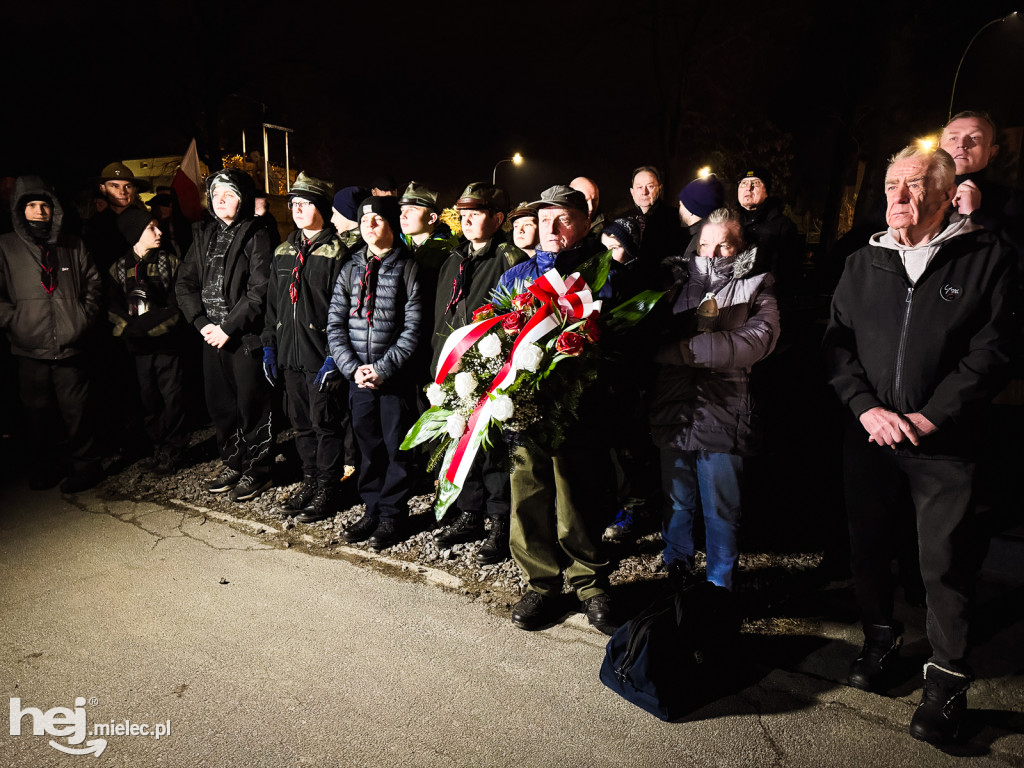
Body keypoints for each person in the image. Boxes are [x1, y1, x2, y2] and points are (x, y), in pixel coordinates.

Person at [822, 146, 1017, 746]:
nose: (898, 197)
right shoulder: (862, 263)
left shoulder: (985, 256)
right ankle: (880, 642)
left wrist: (932, 417)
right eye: (891, 185)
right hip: (872, 436)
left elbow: (994, 350)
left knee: (944, 562)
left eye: (912, 186)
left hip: (945, 442)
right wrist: (867, 409)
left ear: (945, 192)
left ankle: (947, 680)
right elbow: (836, 347)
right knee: (870, 549)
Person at [498, 185, 617, 634]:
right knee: (526, 495)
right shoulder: (517, 277)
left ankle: (589, 582)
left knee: (578, 498)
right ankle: (541, 584)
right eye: (544, 218)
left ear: (585, 222)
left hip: (580, 411)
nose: (550, 227)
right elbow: (491, 339)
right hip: (525, 412)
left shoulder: (601, 275)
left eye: (563, 218)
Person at [649, 208, 779, 590]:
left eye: (725, 243)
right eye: (706, 243)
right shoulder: (674, 281)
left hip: (724, 410)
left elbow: (755, 341)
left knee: (722, 508)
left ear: (741, 247)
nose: (714, 251)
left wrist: (680, 351)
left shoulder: (758, 284)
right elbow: (649, 331)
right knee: (675, 499)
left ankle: (719, 584)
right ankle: (676, 567)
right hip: (673, 407)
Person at [432, 182, 525, 563]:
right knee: (460, 441)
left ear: (498, 218)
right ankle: (470, 512)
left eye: (477, 212)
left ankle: (500, 521)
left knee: (493, 449)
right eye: (463, 212)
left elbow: (518, 319)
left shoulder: (509, 258)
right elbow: (442, 315)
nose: (467, 219)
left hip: (491, 370)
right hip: (453, 369)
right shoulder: (454, 258)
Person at [327, 196, 421, 551]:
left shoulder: (407, 267)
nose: (369, 225)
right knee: (368, 448)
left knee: (397, 449)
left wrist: (383, 368)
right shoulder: (351, 267)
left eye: (377, 219)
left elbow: (413, 327)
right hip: (359, 379)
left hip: (392, 379)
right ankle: (371, 508)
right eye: (365, 219)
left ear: (391, 224)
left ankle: (392, 515)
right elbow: (334, 323)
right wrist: (352, 369)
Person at [0, 176, 103, 493]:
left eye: (44, 204)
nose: (39, 211)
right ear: (20, 210)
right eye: (31, 205)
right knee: (36, 415)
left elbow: (94, 286)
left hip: (70, 345)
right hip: (29, 347)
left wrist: (81, 318)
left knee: (78, 412)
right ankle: (44, 467)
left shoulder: (73, 244)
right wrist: (14, 321)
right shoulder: (6, 246)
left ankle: (85, 468)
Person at [176, 168, 274, 502]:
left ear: (243, 198)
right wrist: (201, 322)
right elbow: (185, 283)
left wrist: (227, 328)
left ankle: (258, 470)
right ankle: (233, 462)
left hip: (242, 339)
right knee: (221, 406)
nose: (220, 201)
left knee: (251, 405)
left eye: (229, 194)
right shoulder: (204, 233)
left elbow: (259, 291)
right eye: (216, 194)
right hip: (210, 336)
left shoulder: (257, 233)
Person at [262, 172, 353, 523]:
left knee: (325, 422)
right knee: (300, 423)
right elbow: (273, 306)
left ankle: (328, 487)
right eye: (294, 204)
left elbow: (342, 308)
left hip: (321, 353)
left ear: (322, 208)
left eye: (305, 203)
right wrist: (271, 345)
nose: (298, 209)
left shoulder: (337, 253)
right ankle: (310, 479)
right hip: (290, 353)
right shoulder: (284, 251)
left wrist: (336, 352)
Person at [107, 209, 188, 474]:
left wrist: (151, 328)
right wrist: (130, 330)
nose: (159, 232)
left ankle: (174, 451)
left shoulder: (170, 263)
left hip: (166, 344)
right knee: (147, 398)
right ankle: (157, 446)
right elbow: (111, 307)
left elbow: (178, 305)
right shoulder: (118, 269)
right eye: (151, 228)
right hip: (137, 348)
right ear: (135, 234)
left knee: (172, 396)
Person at [940, 110, 1024, 260]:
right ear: (939, 147)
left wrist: (977, 216)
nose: (961, 144)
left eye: (974, 137)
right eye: (953, 138)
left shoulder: (1014, 201)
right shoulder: (906, 195)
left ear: (992, 152)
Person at [735, 166, 800, 294]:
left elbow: (788, 273)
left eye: (756, 183)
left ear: (767, 190)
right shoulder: (728, 222)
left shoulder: (783, 226)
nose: (748, 188)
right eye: (744, 183)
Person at [628, 165, 683, 270]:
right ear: (632, 192)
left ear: (660, 188)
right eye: (639, 187)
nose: (644, 192)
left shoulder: (675, 218)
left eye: (650, 186)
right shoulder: (624, 220)